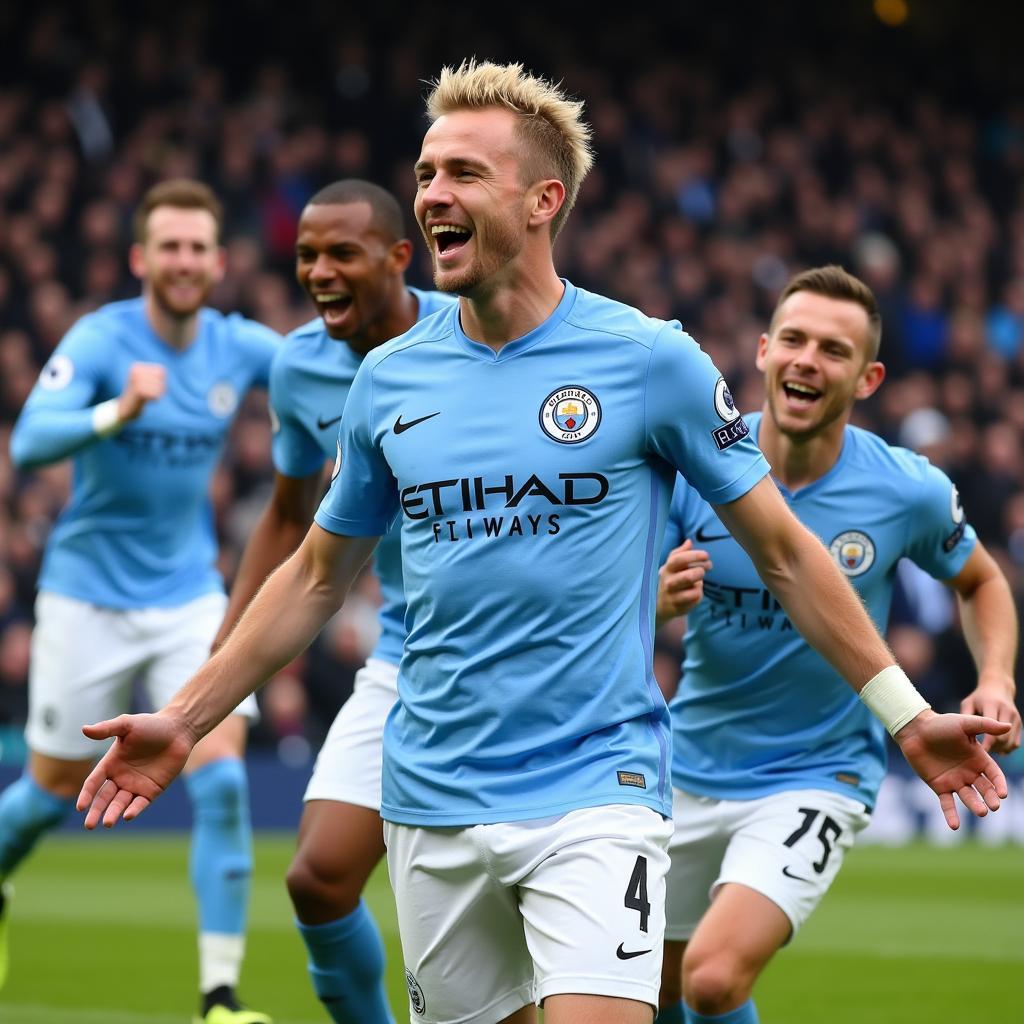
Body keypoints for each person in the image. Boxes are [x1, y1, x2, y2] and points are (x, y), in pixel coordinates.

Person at [77, 64, 1009, 1024]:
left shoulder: (650, 360)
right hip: (430, 793)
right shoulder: (388, 382)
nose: (433, 193)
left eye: (465, 174)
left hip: (597, 788)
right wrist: (186, 718)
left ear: (542, 201)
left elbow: (783, 550)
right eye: (428, 171)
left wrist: (904, 718)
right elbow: (316, 576)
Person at [652, 266, 1021, 1024]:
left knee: (714, 979)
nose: (806, 360)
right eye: (792, 339)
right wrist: (651, 604)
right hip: (685, 764)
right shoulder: (694, 470)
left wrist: (996, 678)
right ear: (761, 351)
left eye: (832, 349)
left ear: (867, 377)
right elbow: (611, 600)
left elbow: (982, 580)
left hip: (816, 771)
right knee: (645, 997)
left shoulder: (904, 489)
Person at [4, 179, 279, 1024]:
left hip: (191, 596)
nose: (186, 261)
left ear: (220, 262)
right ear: (141, 259)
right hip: (87, 594)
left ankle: (220, 999)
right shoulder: (101, 339)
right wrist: (115, 409)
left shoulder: (239, 347)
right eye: (170, 246)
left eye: (200, 247)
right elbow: (28, 441)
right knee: (49, 793)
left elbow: (333, 365)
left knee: (224, 780)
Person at [211, 178, 453, 1024]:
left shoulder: (465, 338)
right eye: (307, 254)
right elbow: (287, 517)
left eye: (341, 253)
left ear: (397, 257)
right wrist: (225, 662)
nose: (319, 271)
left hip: (506, 662)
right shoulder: (300, 365)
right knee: (316, 879)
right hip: (404, 652)